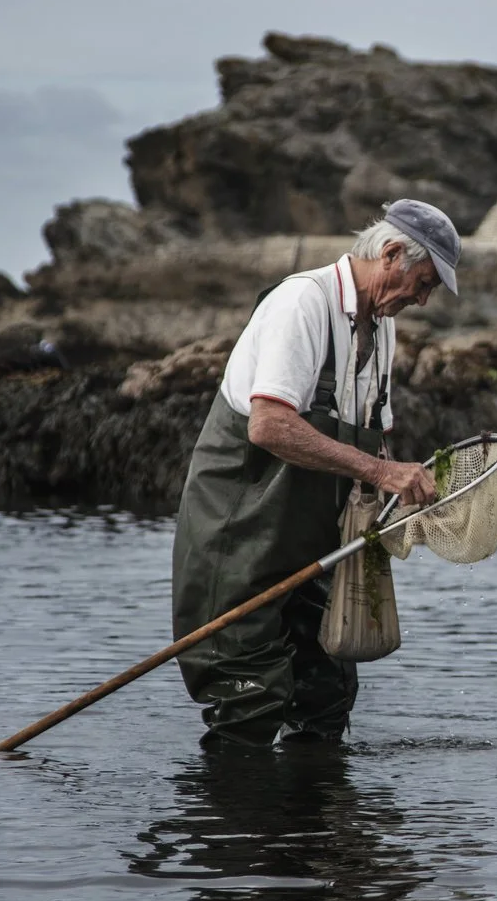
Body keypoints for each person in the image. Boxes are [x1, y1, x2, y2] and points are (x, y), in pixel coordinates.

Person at [170, 198, 461, 747]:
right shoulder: (302, 302)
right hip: (238, 545)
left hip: (314, 552)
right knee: (249, 703)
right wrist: (381, 470)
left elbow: (373, 441)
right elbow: (270, 426)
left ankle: (313, 807)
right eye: (423, 283)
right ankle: (235, 804)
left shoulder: (382, 326)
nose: (422, 300)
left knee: (327, 698)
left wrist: (396, 494)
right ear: (390, 254)